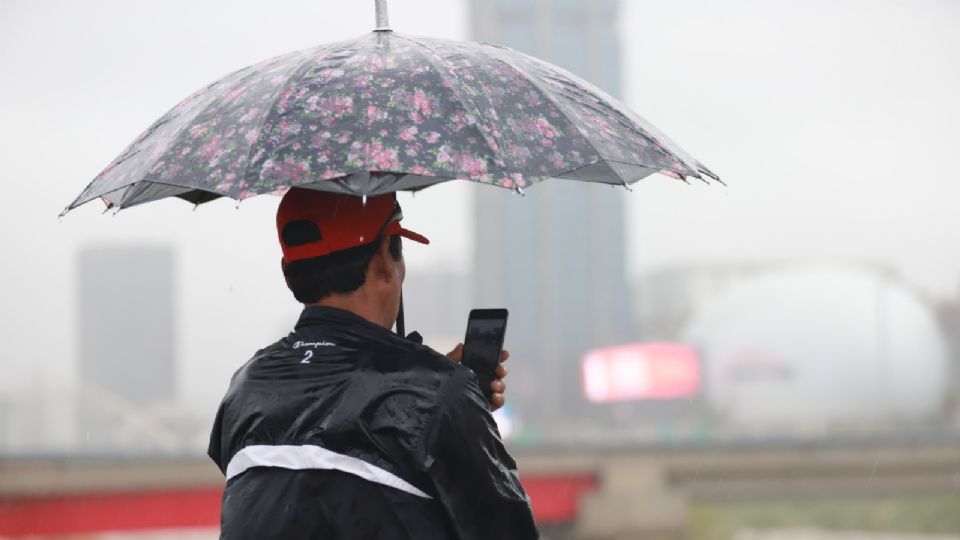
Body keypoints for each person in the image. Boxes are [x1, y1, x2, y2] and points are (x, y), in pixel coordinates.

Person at [208, 187, 539, 539]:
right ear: (385, 259)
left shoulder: (246, 385)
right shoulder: (437, 394)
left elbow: (307, 460)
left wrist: (440, 393)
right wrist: (452, 401)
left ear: (287, 272)